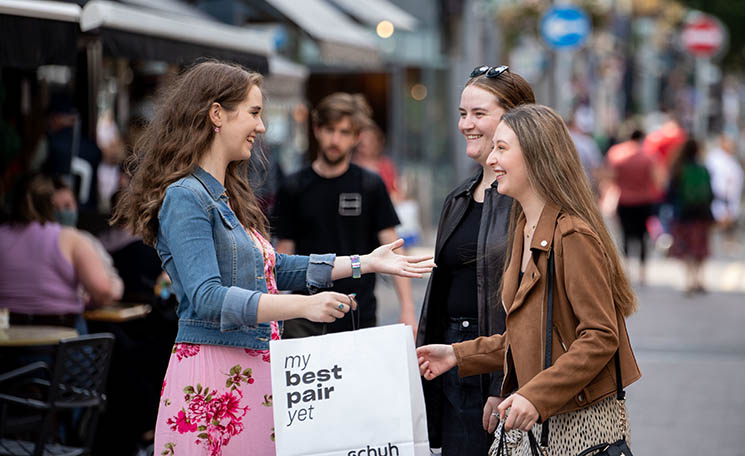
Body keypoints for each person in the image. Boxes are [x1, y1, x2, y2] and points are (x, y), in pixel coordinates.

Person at [110, 61, 433, 455]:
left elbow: (276, 267)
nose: (261, 127)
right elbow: (208, 298)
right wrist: (305, 305)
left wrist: (364, 262)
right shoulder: (186, 196)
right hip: (216, 377)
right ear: (216, 115)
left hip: (249, 369)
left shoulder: (220, 194)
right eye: (254, 113)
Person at [417, 104, 641, 456]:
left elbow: (600, 336)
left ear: (536, 157)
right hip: (540, 425)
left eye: (502, 149)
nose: (491, 160)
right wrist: (456, 354)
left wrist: (536, 396)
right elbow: (528, 335)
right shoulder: (523, 228)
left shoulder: (572, 236)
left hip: (573, 426)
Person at [415, 65, 535, 456]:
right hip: (449, 359)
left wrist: (501, 382)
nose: (466, 124)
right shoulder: (459, 196)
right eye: (463, 113)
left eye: (479, 114)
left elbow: (528, 304)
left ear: (514, 119)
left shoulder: (525, 199)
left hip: (492, 364)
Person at [272, 93, 418, 337]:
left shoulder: (370, 185)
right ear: (317, 130)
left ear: (356, 137)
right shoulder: (293, 186)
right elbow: (283, 251)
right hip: (304, 313)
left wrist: (408, 309)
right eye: (329, 130)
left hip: (357, 310)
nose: (335, 139)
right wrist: (272, 307)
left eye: (344, 132)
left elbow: (392, 248)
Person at [0, 174, 122, 333]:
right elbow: (103, 292)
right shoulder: (71, 239)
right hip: (61, 344)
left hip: (7, 341)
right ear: (51, 204)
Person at [606, 129, 660, 285]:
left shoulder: (616, 153)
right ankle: (643, 272)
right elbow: (657, 180)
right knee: (643, 236)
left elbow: (610, 177)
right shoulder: (649, 155)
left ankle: (627, 268)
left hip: (624, 200)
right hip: (644, 200)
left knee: (625, 235)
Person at [667, 137, 714, 295]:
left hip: (684, 214)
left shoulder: (678, 169)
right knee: (700, 246)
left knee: (686, 247)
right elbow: (711, 193)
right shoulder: (703, 169)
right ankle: (700, 280)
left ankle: (689, 281)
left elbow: (670, 193)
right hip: (702, 214)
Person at [704, 134, 744, 248]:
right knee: (720, 218)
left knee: (728, 218)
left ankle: (728, 240)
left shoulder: (730, 158)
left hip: (730, 194)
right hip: (719, 194)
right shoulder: (715, 158)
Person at [353, 120, 400, 202]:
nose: (364, 144)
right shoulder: (351, 165)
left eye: (369, 140)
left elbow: (395, 192)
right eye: (361, 141)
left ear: (376, 143)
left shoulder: (385, 166)